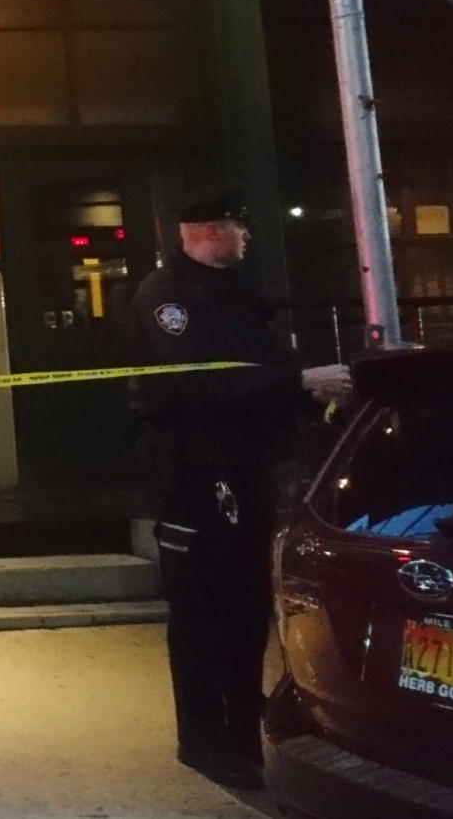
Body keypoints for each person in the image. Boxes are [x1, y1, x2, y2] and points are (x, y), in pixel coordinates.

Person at [127, 187, 350, 792]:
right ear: (202, 230)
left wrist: (303, 391)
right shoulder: (166, 296)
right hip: (196, 474)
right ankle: (204, 740)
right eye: (236, 224)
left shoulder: (238, 294)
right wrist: (301, 384)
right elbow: (202, 387)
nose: (247, 235)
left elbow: (263, 370)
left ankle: (244, 732)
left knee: (248, 609)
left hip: (250, 468)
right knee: (202, 611)